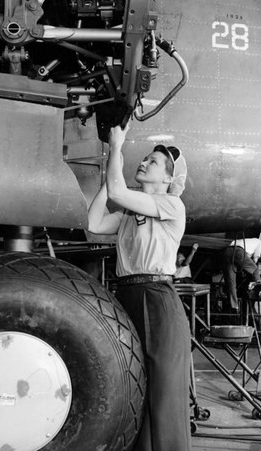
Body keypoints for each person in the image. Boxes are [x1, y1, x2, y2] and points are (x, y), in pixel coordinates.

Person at [88, 124, 191, 451]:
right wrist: (109, 176)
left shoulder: (172, 205)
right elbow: (93, 225)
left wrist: (116, 148)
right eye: (145, 158)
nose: (145, 162)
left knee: (164, 398)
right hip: (127, 297)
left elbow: (118, 193)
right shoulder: (131, 210)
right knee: (134, 389)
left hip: (158, 300)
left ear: (167, 180)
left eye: (154, 162)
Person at [220, 238, 261, 313]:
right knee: (255, 270)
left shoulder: (244, 241)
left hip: (225, 252)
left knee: (231, 283)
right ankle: (260, 290)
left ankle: (234, 307)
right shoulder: (260, 243)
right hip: (238, 252)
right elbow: (255, 259)